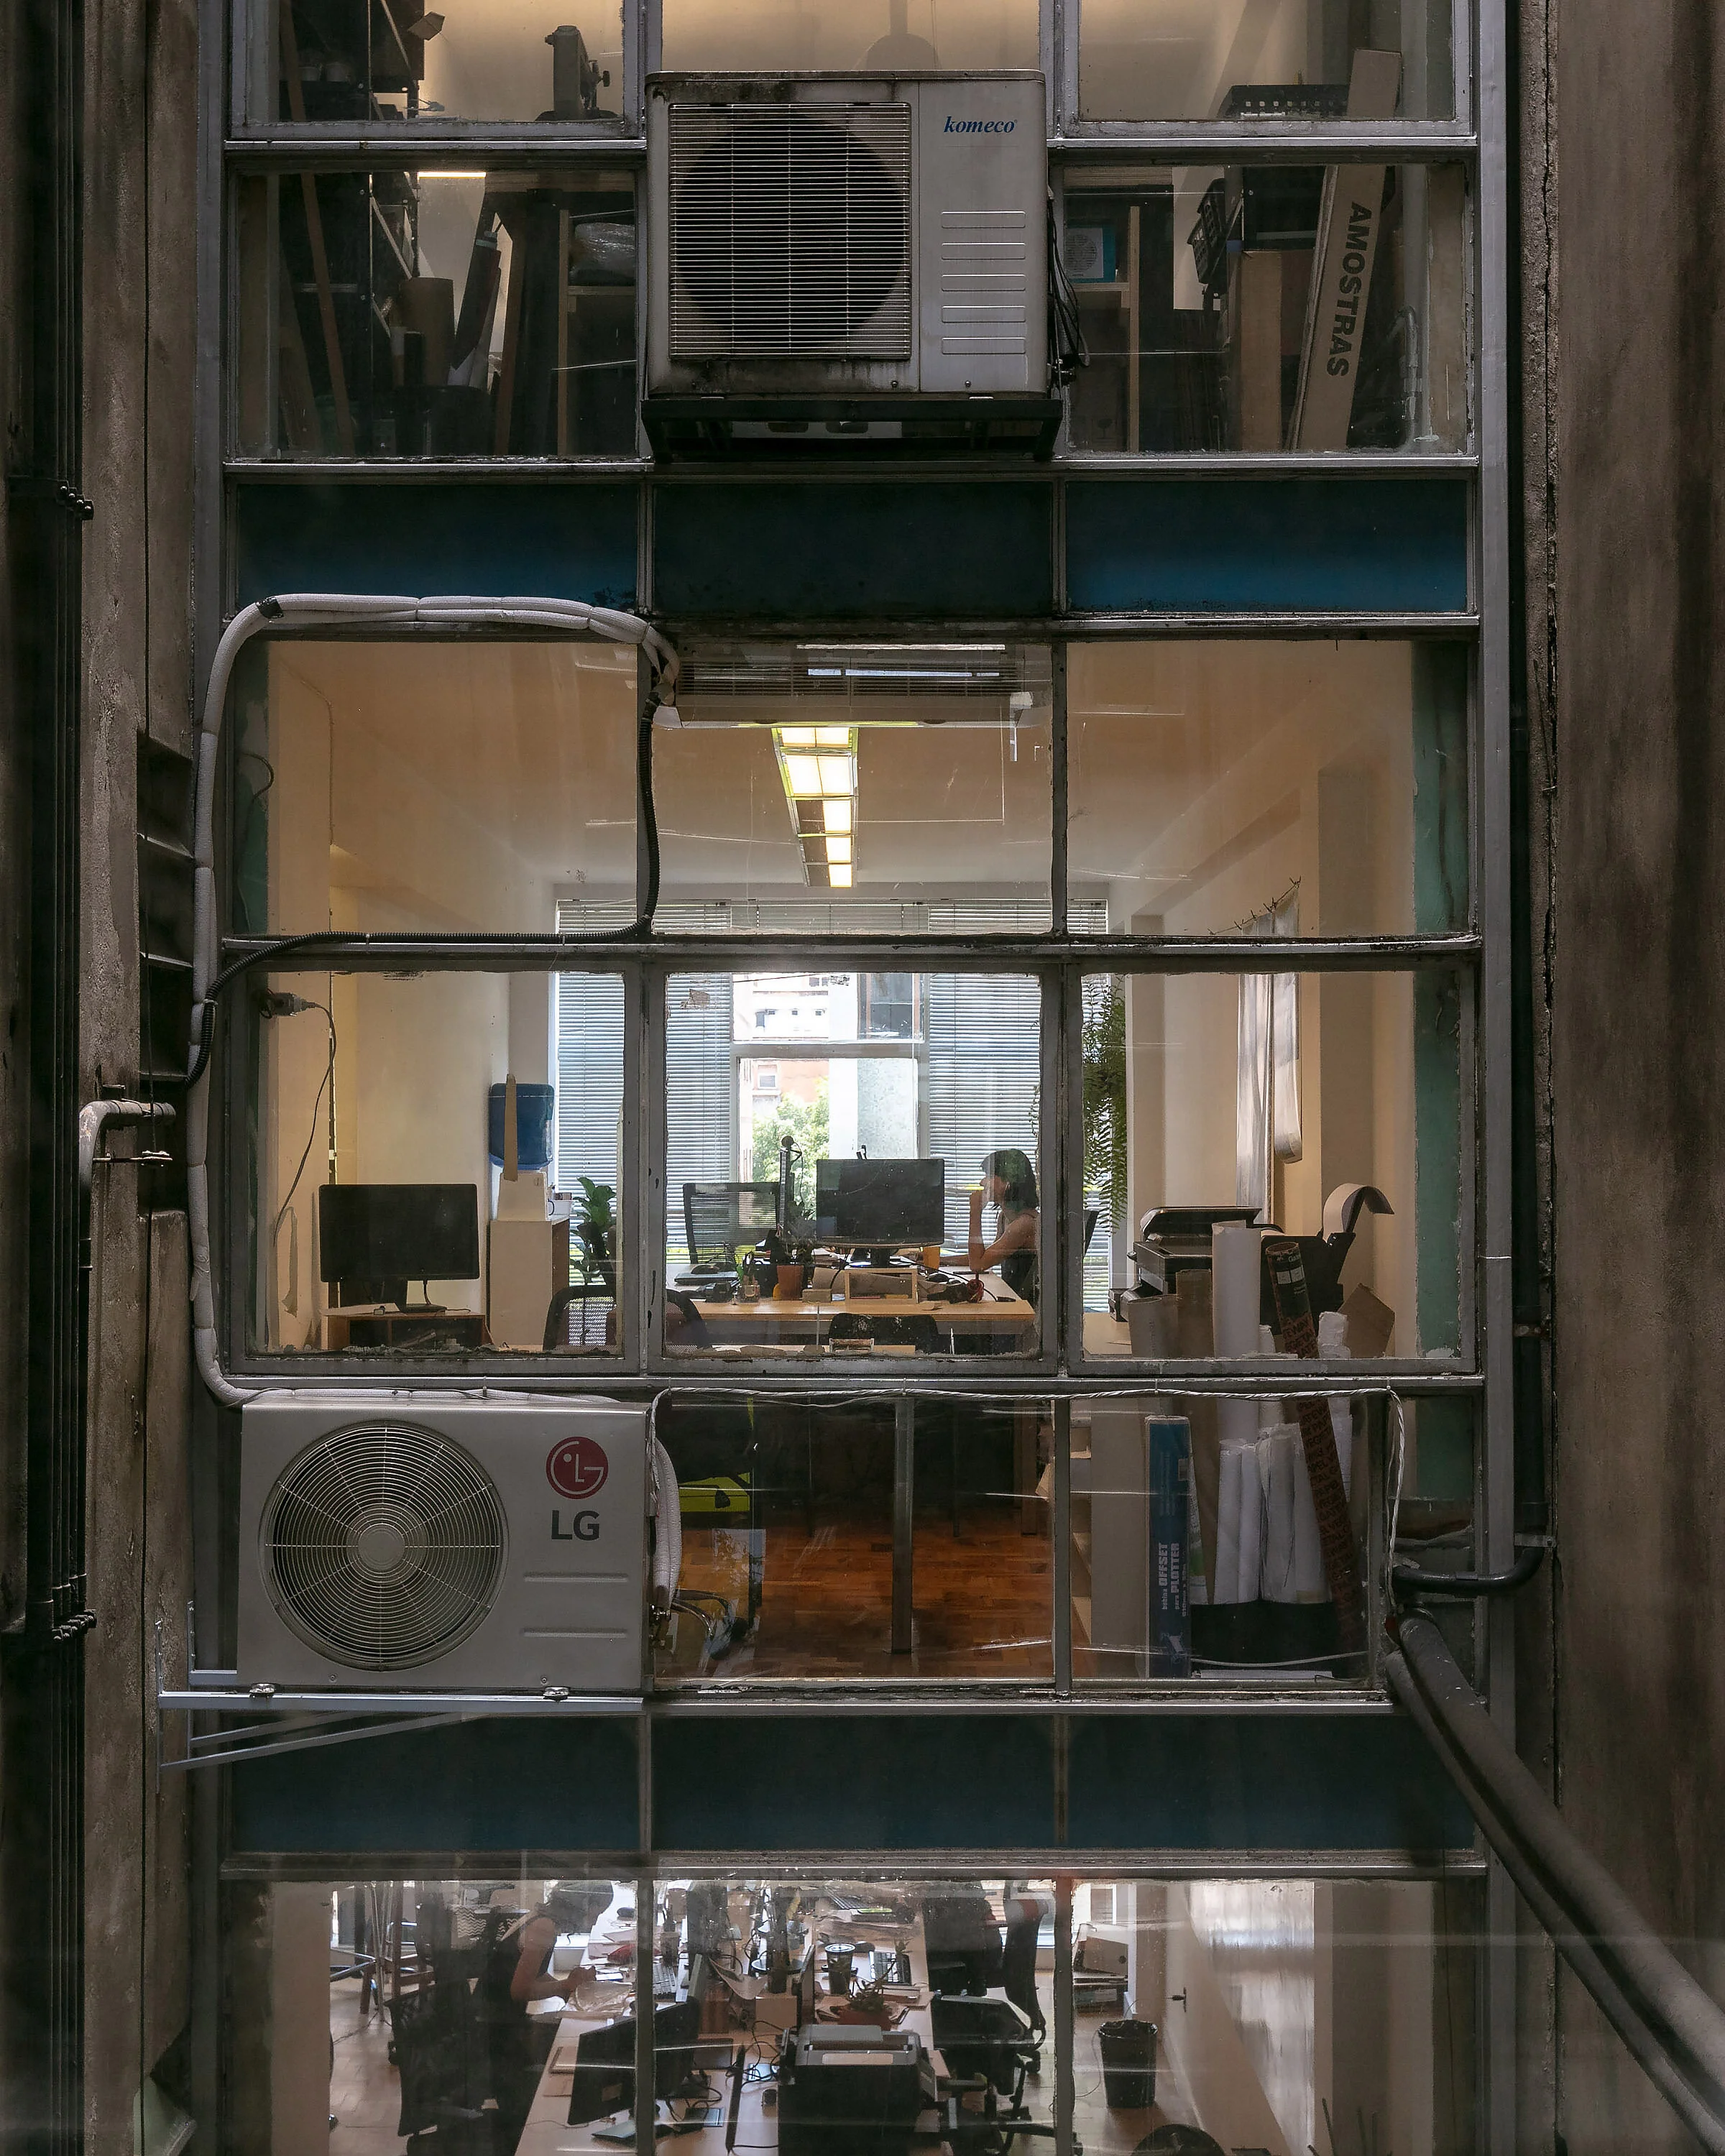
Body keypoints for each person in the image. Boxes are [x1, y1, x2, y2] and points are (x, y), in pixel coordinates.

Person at [479, 1881, 615, 2144]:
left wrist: (567, 1989)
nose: (596, 1919)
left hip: (499, 2018)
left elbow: (538, 1976)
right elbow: (519, 1990)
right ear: (581, 1905)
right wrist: (564, 1985)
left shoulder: (543, 1920)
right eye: (596, 1912)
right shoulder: (544, 1928)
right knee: (574, 2056)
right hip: (493, 2028)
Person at [968, 1148, 1039, 1306]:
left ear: (1008, 1183)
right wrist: (939, 1260)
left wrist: (975, 1212)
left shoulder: (1025, 1223)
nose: (982, 1182)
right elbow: (984, 1256)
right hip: (1012, 1299)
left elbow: (978, 1264)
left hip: (1026, 1311)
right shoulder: (1005, 1217)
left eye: (989, 1176)